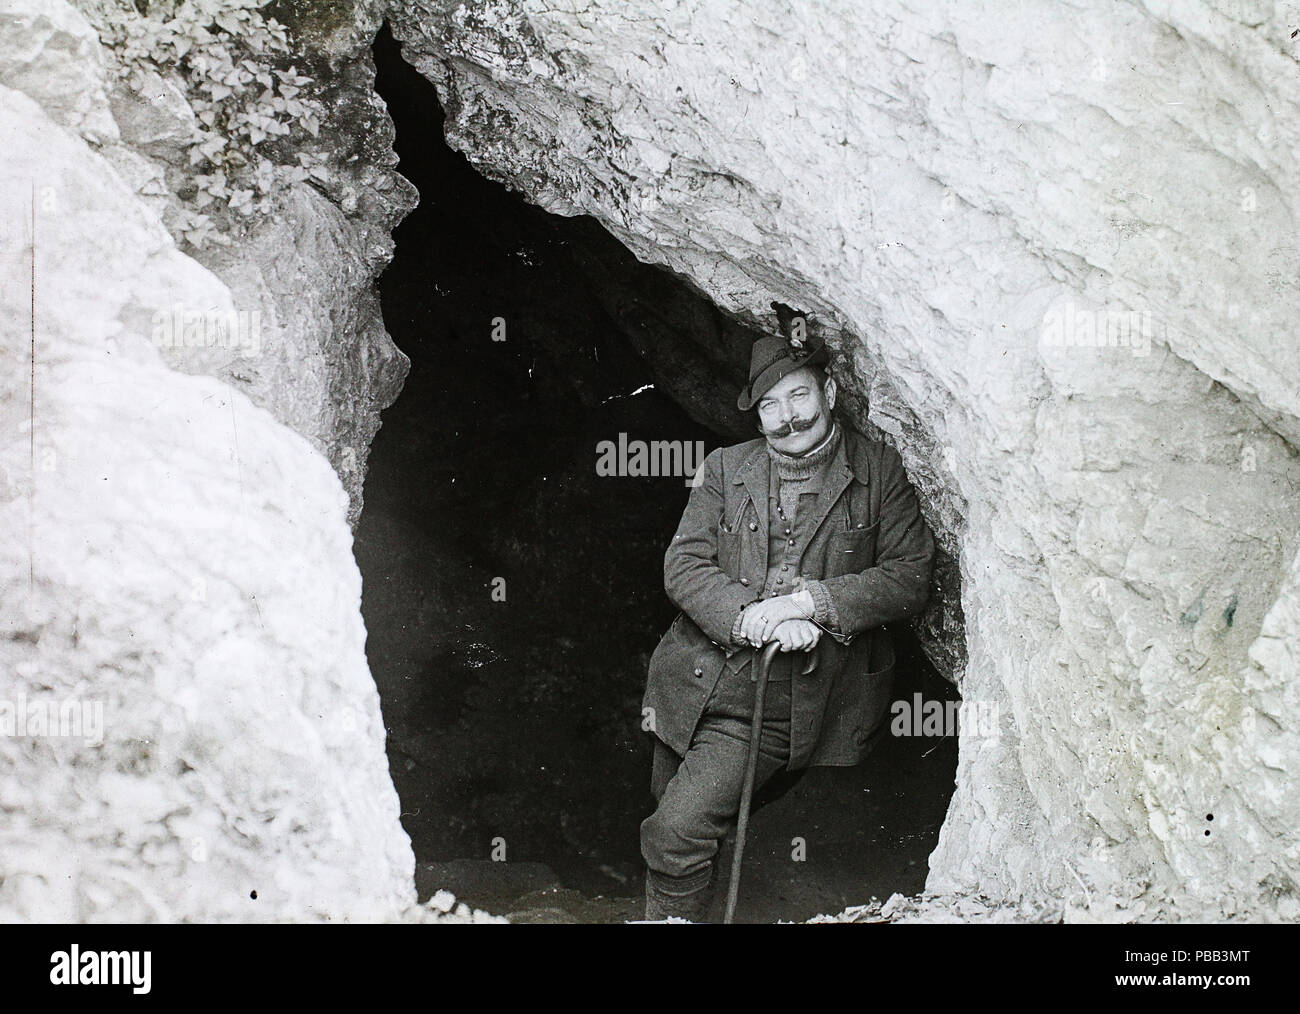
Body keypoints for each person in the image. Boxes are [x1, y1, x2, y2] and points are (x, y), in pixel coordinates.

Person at [640, 330, 936, 921]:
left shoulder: (878, 471)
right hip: (689, 683)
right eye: (770, 405)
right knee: (679, 824)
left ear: (829, 392)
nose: (787, 417)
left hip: (779, 702)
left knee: (676, 833)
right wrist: (752, 617)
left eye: (798, 395)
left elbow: (908, 576)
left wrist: (811, 604)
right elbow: (684, 564)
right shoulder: (725, 468)